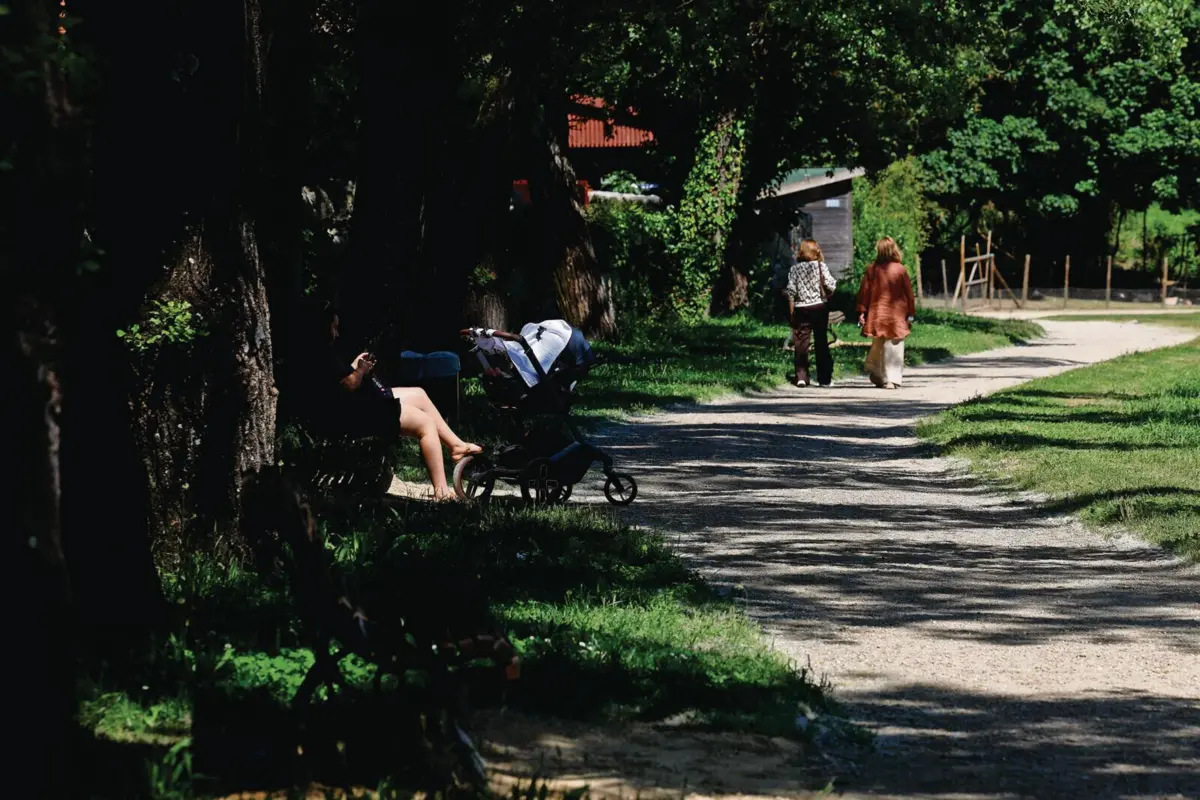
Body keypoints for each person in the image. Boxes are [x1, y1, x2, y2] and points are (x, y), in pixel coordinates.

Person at [317, 302, 481, 501]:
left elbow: (342, 380)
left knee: (419, 394)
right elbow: (348, 385)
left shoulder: (323, 352)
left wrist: (355, 366)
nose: (337, 333)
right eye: (333, 327)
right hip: (355, 411)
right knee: (425, 423)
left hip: (358, 403)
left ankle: (456, 445)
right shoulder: (323, 353)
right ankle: (442, 493)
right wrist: (360, 371)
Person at [856, 237, 916, 390]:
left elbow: (864, 293)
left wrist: (862, 310)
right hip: (897, 315)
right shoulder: (901, 270)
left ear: (879, 250)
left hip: (877, 314)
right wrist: (911, 313)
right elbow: (909, 294)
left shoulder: (872, 269)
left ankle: (878, 373)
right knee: (895, 345)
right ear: (894, 250)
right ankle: (892, 379)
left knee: (879, 344)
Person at [785, 238, 837, 387]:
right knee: (821, 342)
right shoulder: (821, 266)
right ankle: (824, 379)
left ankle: (801, 377)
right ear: (816, 251)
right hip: (819, 308)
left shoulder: (795, 269)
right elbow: (831, 285)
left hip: (801, 308)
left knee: (801, 343)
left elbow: (791, 292)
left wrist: (791, 313)